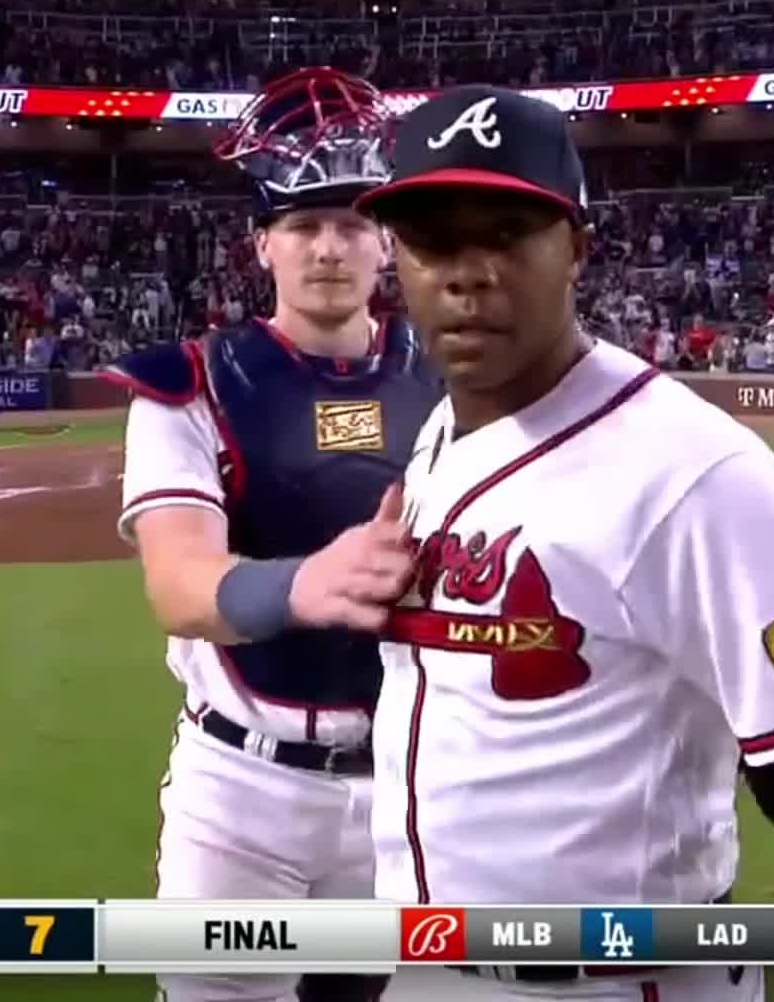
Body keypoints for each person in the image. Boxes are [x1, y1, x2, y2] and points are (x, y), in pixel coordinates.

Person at [352, 86, 774, 1002]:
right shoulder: (440, 434)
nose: (468, 273)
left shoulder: (695, 472)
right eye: (432, 240)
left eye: (507, 232)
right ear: (398, 263)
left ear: (579, 249)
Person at [104, 68, 439, 1002]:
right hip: (241, 799)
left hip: (414, 786)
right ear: (263, 244)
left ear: (385, 241)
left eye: (350, 223)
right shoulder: (190, 384)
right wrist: (304, 585)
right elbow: (178, 588)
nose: (327, 248)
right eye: (301, 225)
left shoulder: (458, 378)